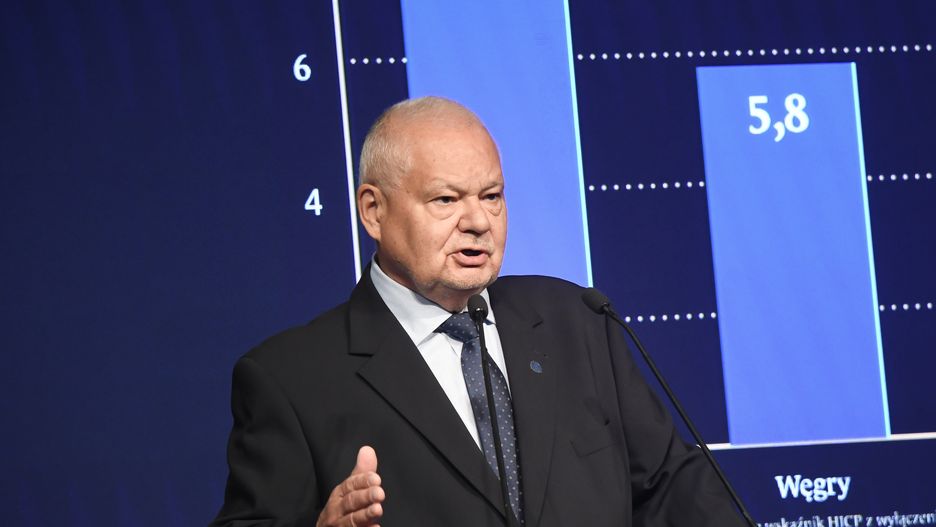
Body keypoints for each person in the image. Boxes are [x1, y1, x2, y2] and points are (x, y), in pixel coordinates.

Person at [210, 96, 747, 526]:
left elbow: (671, 485)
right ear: (373, 211)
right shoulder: (290, 379)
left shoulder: (576, 319)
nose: (478, 221)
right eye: (446, 200)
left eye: (492, 196)